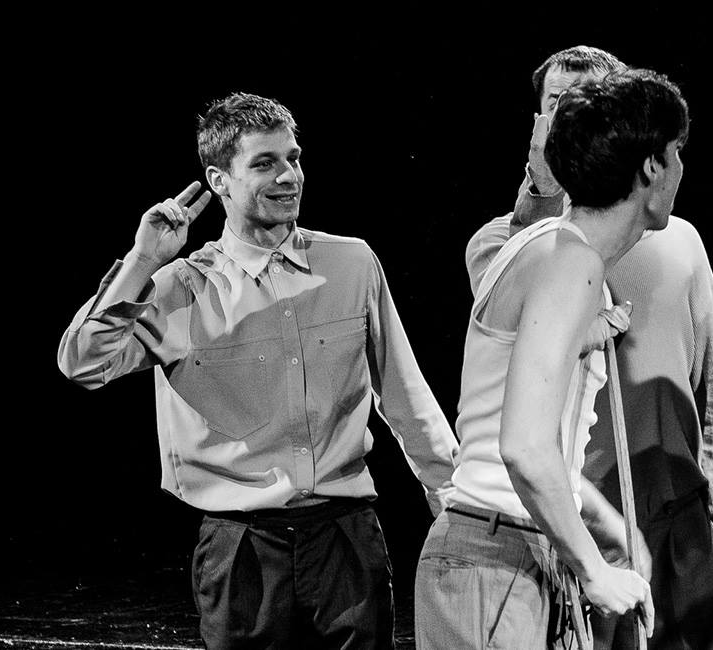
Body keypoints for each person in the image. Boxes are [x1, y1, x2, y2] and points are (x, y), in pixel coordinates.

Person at [56, 92, 459, 649]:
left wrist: (451, 493)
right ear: (219, 180)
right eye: (264, 163)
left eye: (293, 158)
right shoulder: (181, 287)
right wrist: (143, 260)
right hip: (241, 547)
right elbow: (83, 363)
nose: (288, 176)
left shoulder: (351, 263)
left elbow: (402, 390)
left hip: (343, 538)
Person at [464, 45, 713, 650]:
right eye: (559, 106)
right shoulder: (517, 248)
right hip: (573, 517)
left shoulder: (678, 241)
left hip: (674, 518)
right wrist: (542, 182)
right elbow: (524, 434)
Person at [415, 67, 691, 649]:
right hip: (495, 558)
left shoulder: (556, 252)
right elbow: (522, 447)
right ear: (651, 167)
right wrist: (594, 571)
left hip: (509, 551)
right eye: (676, 152)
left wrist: (603, 533)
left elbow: (522, 437)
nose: (680, 168)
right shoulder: (568, 261)